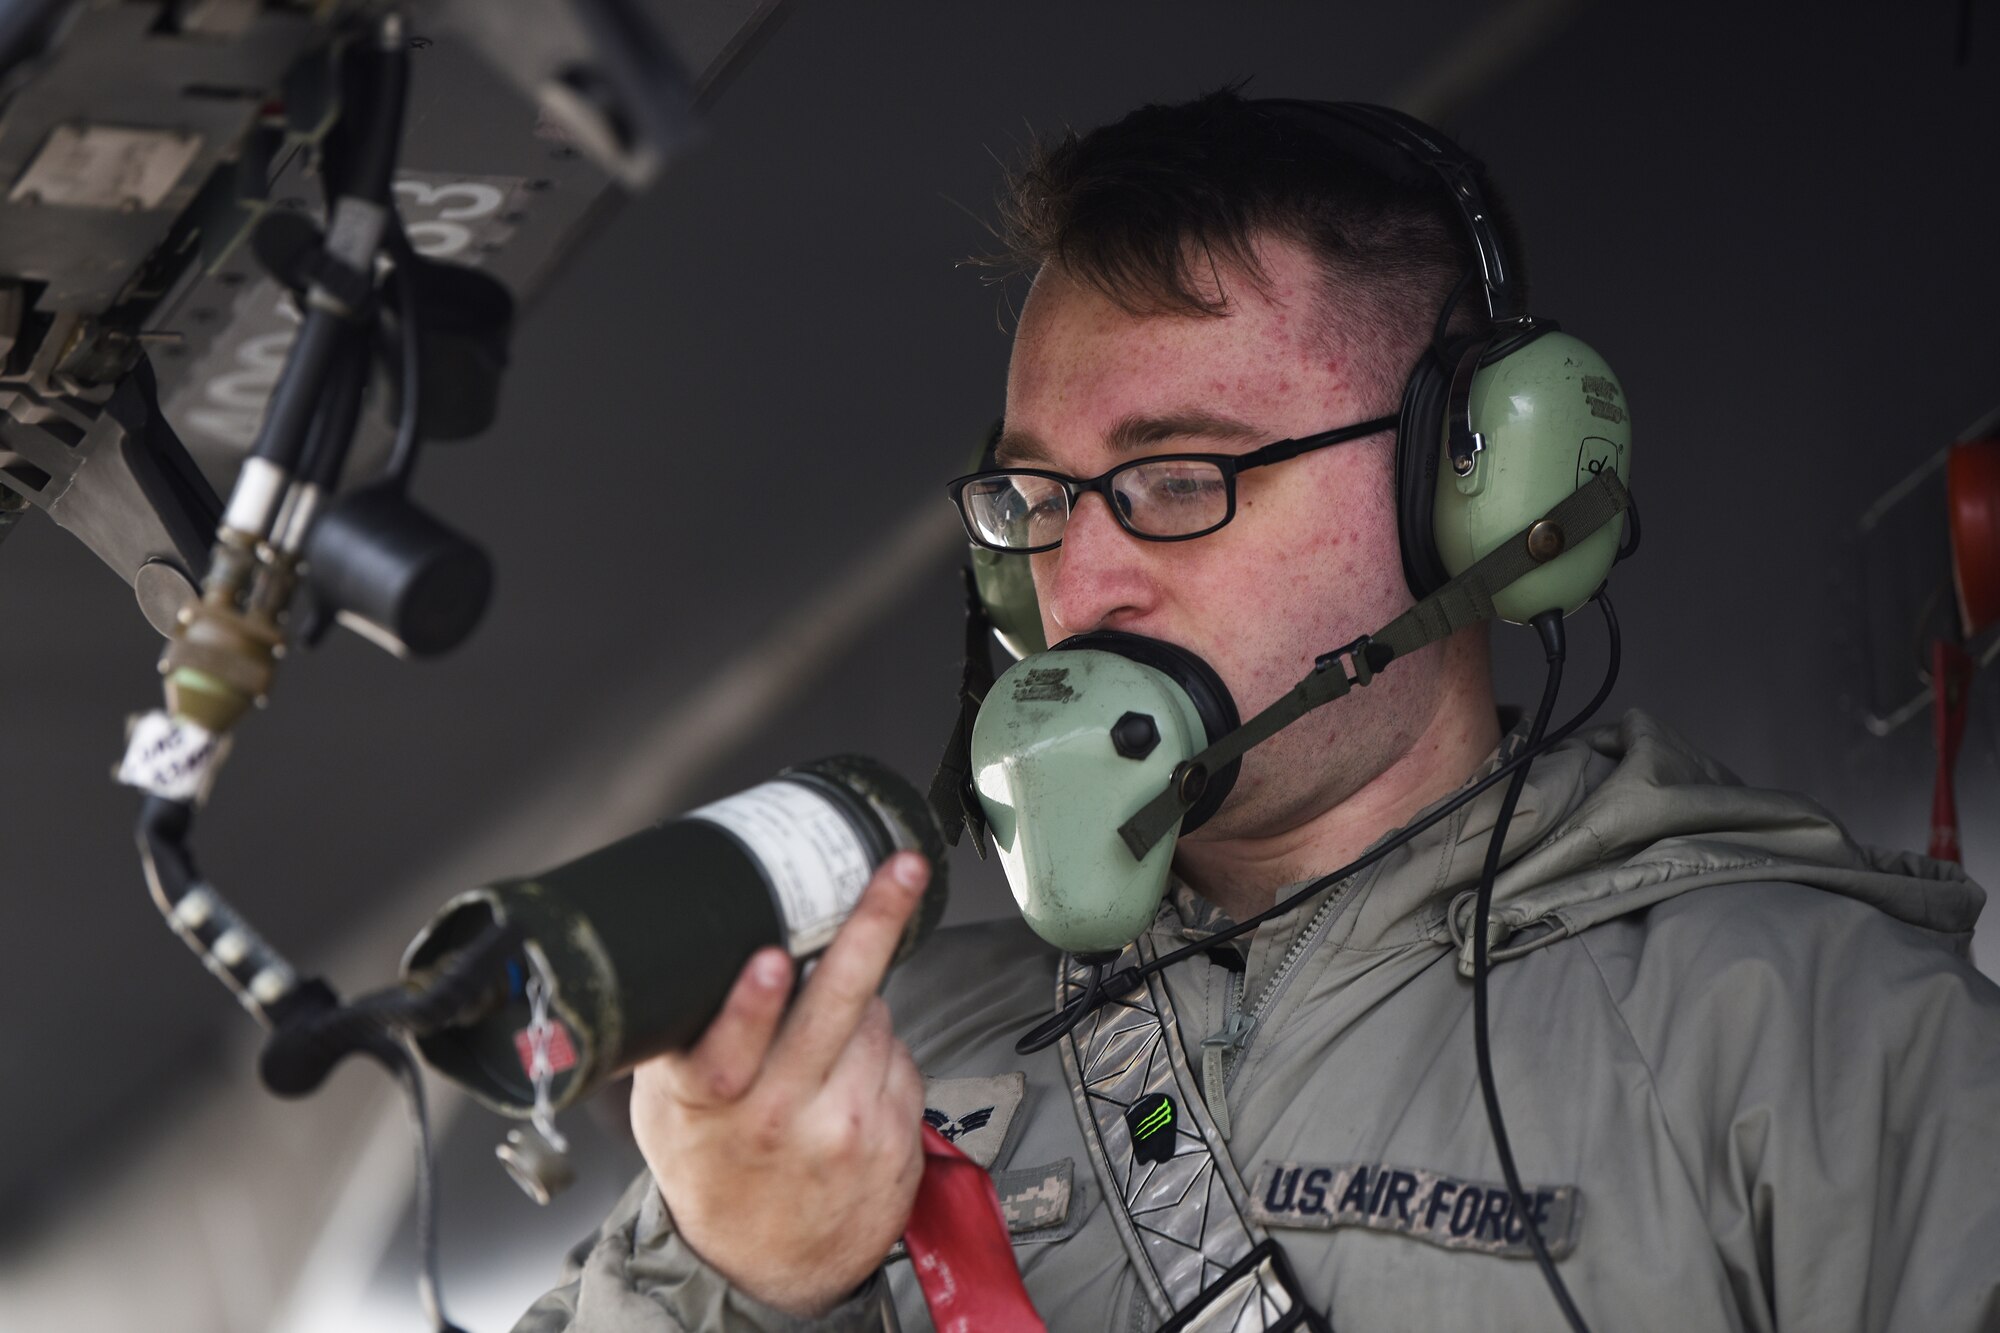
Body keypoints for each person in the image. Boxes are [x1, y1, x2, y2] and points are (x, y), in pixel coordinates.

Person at [515, 89, 2000, 1332]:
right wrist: (733, 1279)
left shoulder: (1814, 1045)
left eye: (1178, 478)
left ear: (1481, 502)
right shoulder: (846, 1067)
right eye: (1032, 498)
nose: (1073, 577)